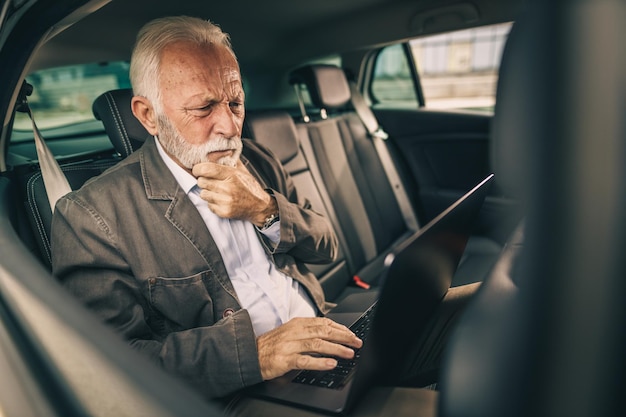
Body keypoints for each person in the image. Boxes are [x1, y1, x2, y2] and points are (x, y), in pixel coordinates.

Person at [51, 15, 469, 416]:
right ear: (148, 116)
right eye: (203, 108)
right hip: (242, 392)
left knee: (488, 308)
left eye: (235, 102)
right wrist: (257, 353)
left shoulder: (256, 160)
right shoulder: (93, 216)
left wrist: (266, 210)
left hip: (328, 329)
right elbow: (107, 365)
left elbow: (327, 245)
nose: (230, 126)